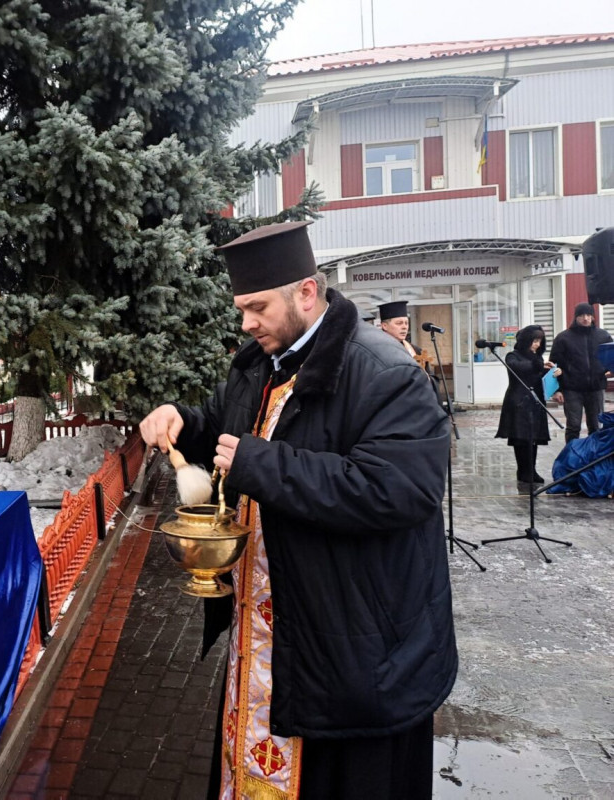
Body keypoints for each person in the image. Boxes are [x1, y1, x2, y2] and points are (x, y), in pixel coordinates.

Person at [139, 221, 456, 799]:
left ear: (305, 292)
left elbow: (400, 489)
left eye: (256, 307)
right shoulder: (259, 362)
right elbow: (224, 428)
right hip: (272, 638)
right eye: (241, 308)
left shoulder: (383, 370)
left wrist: (263, 466)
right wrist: (180, 417)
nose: (246, 323)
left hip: (357, 652)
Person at [495, 326, 558, 485]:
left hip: (535, 400)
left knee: (533, 437)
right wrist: (538, 365)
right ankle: (523, 470)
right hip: (518, 401)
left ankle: (531, 469)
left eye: (539, 341)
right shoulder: (512, 356)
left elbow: (537, 376)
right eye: (534, 340)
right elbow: (518, 368)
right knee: (520, 437)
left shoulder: (538, 358)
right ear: (526, 340)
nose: (537, 344)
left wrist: (552, 372)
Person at [549, 302, 612, 443]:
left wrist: (609, 370)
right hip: (572, 389)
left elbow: (610, 357)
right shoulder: (563, 338)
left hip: (596, 387)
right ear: (575, 317)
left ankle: (593, 457)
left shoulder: (603, 336)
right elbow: (554, 365)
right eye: (582, 315)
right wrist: (557, 390)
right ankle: (571, 457)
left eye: (589, 315)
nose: (586, 318)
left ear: (593, 317)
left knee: (596, 426)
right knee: (573, 426)